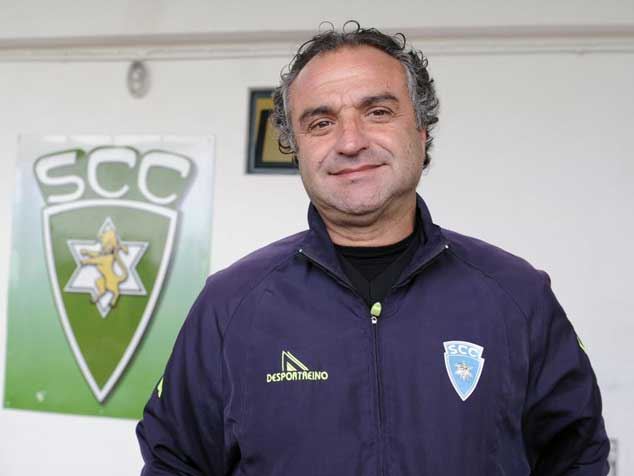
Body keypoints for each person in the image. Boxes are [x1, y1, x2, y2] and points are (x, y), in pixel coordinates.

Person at [136, 22, 610, 475]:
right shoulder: (229, 305)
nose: (350, 141)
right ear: (296, 150)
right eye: (321, 122)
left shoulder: (517, 296)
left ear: (421, 132)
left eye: (378, 112)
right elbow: (175, 463)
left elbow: (577, 457)